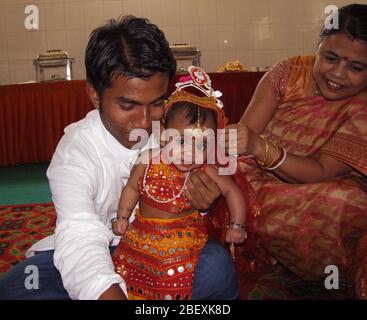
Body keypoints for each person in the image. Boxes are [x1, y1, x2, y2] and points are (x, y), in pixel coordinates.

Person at [0, 16, 238, 300]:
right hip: (96, 249)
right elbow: (80, 237)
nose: (144, 121)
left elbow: (202, 202)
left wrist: (201, 204)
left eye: (157, 103)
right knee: (19, 287)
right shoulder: (75, 151)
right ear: (95, 95)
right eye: (128, 105)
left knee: (216, 268)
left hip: (163, 248)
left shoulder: (175, 132)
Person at [219, 3, 367, 298]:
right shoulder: (289, 72)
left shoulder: (364, 104)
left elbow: (321, 171)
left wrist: (263, 148)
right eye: (330, 58)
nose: (338, 74)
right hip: (256, 181)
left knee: (348, 202)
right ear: (318, 46)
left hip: (318, 186)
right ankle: (271, 256)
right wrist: (253, 146)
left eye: (356, 67)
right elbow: (244, 139)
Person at [111, 66, 247, 300]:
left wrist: (237, 225)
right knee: (127, 277)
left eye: (202, 145)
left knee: (181, 281)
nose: (190, 153)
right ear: (163, 133)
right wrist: (122, 217)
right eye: (181, 140)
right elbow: (132, 187)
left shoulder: (207, 169)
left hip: (184, 242)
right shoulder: (148, 159)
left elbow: (233, 192)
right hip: (141, 236)